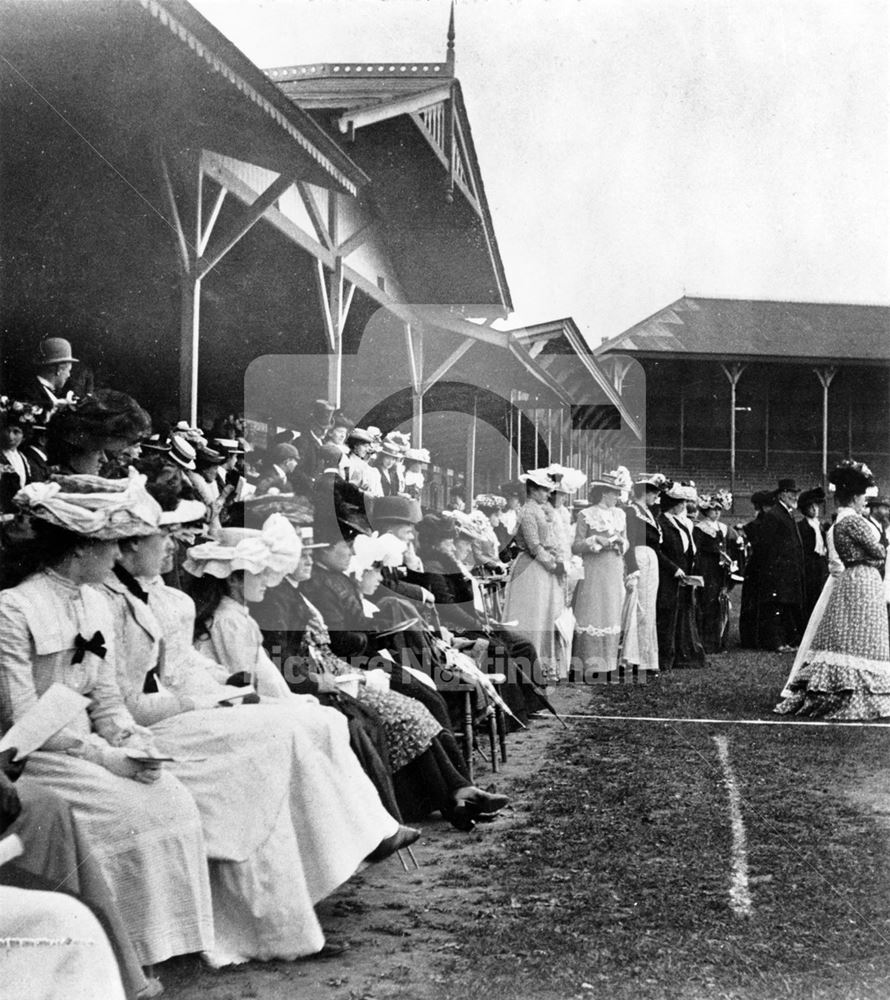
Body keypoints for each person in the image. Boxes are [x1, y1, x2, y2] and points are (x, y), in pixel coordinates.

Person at [105, 502, 410, 965]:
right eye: (161, 537)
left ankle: (349, 845)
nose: (172, 545)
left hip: (180, 706)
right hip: (150, 719)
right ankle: (279, 917)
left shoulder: (169, 600)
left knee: (305, 721)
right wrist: (206, 700)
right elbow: (130, 695)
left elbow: (185, 666)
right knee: (273, 739)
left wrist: (223, 689)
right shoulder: (108, 603)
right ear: (127, 548)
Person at [0, 472, 215, 973]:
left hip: (90, 745)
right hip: (31, 758)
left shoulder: (96, 601)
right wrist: (104, 756)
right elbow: (20, 714)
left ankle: (166, 943)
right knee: (128, 811)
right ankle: (119, 957)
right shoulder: (13, 608)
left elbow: (106, 693)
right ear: (79, 550)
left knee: (170, 795)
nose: (118, 556)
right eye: (110, 546)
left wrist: (128, 738)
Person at [253, 525, 508, 830]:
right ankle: (455, 795)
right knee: (408, 710)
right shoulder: (291, 594)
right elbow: (291, 658)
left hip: (337, 668)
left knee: (417, 707)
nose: (306, 560)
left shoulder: (297, 589)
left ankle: (458, 792)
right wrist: (329, 672)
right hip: (327, 675)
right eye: (301, 554)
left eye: (308, 554)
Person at [775, 460, 890, 719]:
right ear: (853, 497)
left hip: (853, 578)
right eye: (862, 497)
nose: (864, 502)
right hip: (862, 581)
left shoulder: (840, 521)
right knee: (862, 635)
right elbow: (879, 551)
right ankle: (857, 691)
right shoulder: (855, 522)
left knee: (850, 634)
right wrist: (875, 555)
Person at [503, 468, 564, 683]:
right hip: (531, 568)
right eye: (545, 490)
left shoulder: (539, 509)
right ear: (533, 490)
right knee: (532, 614)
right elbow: (534, 545)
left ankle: (541, 665)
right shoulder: (528, 511)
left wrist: (557, 561)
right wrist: (553, 565)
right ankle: (528, 665)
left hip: (542, 568)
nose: (548, 494)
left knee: (544, 614)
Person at [571, 472, 627, 677]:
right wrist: (595, 540)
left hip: (614, 566)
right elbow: (576, 546)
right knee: (593, 609)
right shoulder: (585, 514)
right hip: (595, 567)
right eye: (614, 493)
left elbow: (626, 540)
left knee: (611, 609)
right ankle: (587, 662)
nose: (617, 497)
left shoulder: (620, 515)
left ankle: (608, 662)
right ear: (604, 493)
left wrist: (622, 543)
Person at [656, 482, 706, 670]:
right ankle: (667, 656)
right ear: (671, 504)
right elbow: (660, 551)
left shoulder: (681, 523)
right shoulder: (663, 522)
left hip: (683, 572)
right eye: (680, 503)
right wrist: (673, 568)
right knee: (669, 613)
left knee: (684, 612)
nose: (683, 506)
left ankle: (683, 653)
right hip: (669, 574)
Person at [757, 478, 806, 652]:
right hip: (778, 571)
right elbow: (765, 545)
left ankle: (785, 640)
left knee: (785, 606)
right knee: (776, 607)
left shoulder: (787, 514)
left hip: (788, 570)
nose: (795, 497)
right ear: (783, 494)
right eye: (792, 493)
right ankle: (776, 642)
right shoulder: (774, 515)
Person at [623, 473, 666, 673]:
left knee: (649, 607)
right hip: (639, 557)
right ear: (644, 492)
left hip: (651, 559)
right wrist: (632, 567)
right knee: (639, 607)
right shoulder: (631, 511)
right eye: (653, 493)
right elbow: (629, 540)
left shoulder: (649, 512)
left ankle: (648, 657)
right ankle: (635, 657)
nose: (655, 497)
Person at [693, 490, 739, 653]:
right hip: (707, 569)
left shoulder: (723, 528)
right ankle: (707, 643)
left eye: (719, 510)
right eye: (714, 510)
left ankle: (720, 641)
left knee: (721, 603)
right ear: (706, 511)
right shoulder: (699, 528)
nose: (717, 513)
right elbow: (698, 551)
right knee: (708, 604)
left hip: (721, 570)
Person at [738, 489, 777, 648]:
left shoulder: (754, 525)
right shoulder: (761, 524)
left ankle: (752, 637)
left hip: (757, 565)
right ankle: (758, 637)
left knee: (754, 601)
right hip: (762, 565)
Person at [797, 486, 828, 621]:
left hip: (820, 563)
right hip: (809, 564)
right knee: (810, 596)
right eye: (811, 507)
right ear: (805, 509)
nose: (815, 509)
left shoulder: (820, 525)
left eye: (816, 506)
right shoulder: (801, 526)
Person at [28, 337, 78, 412]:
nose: (69, 375)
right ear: (58, 369)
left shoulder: (52, 392)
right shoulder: (29, 394)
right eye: (68, 370)